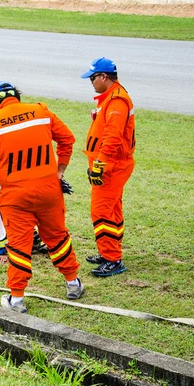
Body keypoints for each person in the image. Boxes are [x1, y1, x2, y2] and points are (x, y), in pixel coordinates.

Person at [0, 81, 84, 313]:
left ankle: (17, 299)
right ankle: (73, 283)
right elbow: (67, 139)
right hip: (48, 190)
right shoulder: (41, 111)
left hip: (15, 196)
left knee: (20, 246)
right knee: (57, 237)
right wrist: (59, 171)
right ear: (17, 97)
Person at [80, 57, 135, 277]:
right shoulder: (110, 98)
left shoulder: (117, 101)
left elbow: (112, 138)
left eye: (93, 78)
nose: (91, 82)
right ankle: (108, 252)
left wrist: (99, 165)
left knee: (101, 211)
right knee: (111, 209)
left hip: (111, 166)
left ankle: (113, 259)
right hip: (108, 164)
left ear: (104, 77)